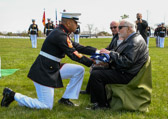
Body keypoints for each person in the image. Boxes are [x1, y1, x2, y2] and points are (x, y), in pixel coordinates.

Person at [1, 12, 100, 110]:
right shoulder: (60, 34)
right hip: (44, 72)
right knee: (46, 106)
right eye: (76, 23)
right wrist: (93, 63)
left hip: (52, 68)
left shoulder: (61, 32)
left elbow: (77, 47)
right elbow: (74, 55)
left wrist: (98, 51)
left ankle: (65, 99)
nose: (77, 25)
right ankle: (12, 95)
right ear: (69, 23)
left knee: (79, 70)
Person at [86, 19, 149, 110]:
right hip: (125, 70)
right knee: (96, 70)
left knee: (97, 75)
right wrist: (108, 62)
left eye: (120, 27)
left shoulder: (134, 41)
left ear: (129, 28)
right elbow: (122, 57)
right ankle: (96, 101)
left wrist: (110, 54)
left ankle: (102, 105)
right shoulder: (131, 39)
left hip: (127, 74)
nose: (118, 30)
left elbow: (126, 62)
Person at [80, 21, 120, 94]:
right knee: (94, 67)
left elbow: (115, 51)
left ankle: (91, 92)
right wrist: (101, 51)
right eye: (111, 28)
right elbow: (109, 48)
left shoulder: (120, 37)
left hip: (113, 63)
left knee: (95, 69)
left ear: (119, 27)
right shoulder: (115, 36)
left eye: (115, 27)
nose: (113, 29)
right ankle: (89, 90)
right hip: (111, 60)